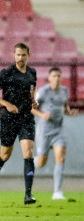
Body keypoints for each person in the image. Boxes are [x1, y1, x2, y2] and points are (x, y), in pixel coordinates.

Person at [0, 42, 38, 205]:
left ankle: (28, 194)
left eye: (23, 55)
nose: (20, 58)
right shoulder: (6, 73)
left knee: (28, 153)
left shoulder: (32, 73)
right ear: (14, 55)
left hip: (26, 118)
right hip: (9, 119)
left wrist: (33, 102)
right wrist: (6, 104)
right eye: (18, 55)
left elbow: (31, 91)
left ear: (28, 54)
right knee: (5, 154)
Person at [31, 67, 79, 200]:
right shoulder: (43, 92)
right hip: (45, 131)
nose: (57, 78)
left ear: (61, 77)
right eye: (54, 76)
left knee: (61, 158)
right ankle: (34, 161)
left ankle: (57, 192)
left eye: (58, 76)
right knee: (41, 163)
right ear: (49, 78)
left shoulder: (64, 91)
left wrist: (70, 112)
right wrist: (42, 114)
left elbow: (65, 108)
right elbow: (31, 108)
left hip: (58, 130)